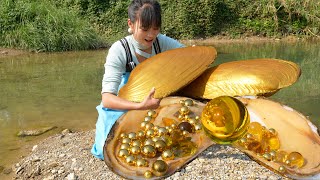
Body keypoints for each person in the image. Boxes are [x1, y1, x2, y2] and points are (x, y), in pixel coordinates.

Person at [91, 0, 185, 160]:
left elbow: (189, 56)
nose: (151, 34)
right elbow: (107, 99)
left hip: (153, 103)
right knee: (106, 150)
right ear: (131, 24)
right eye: (145, 28)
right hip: (124, 104)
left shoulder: (162, 43)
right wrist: (140, 106)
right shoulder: (119, 50)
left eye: (156, 28)